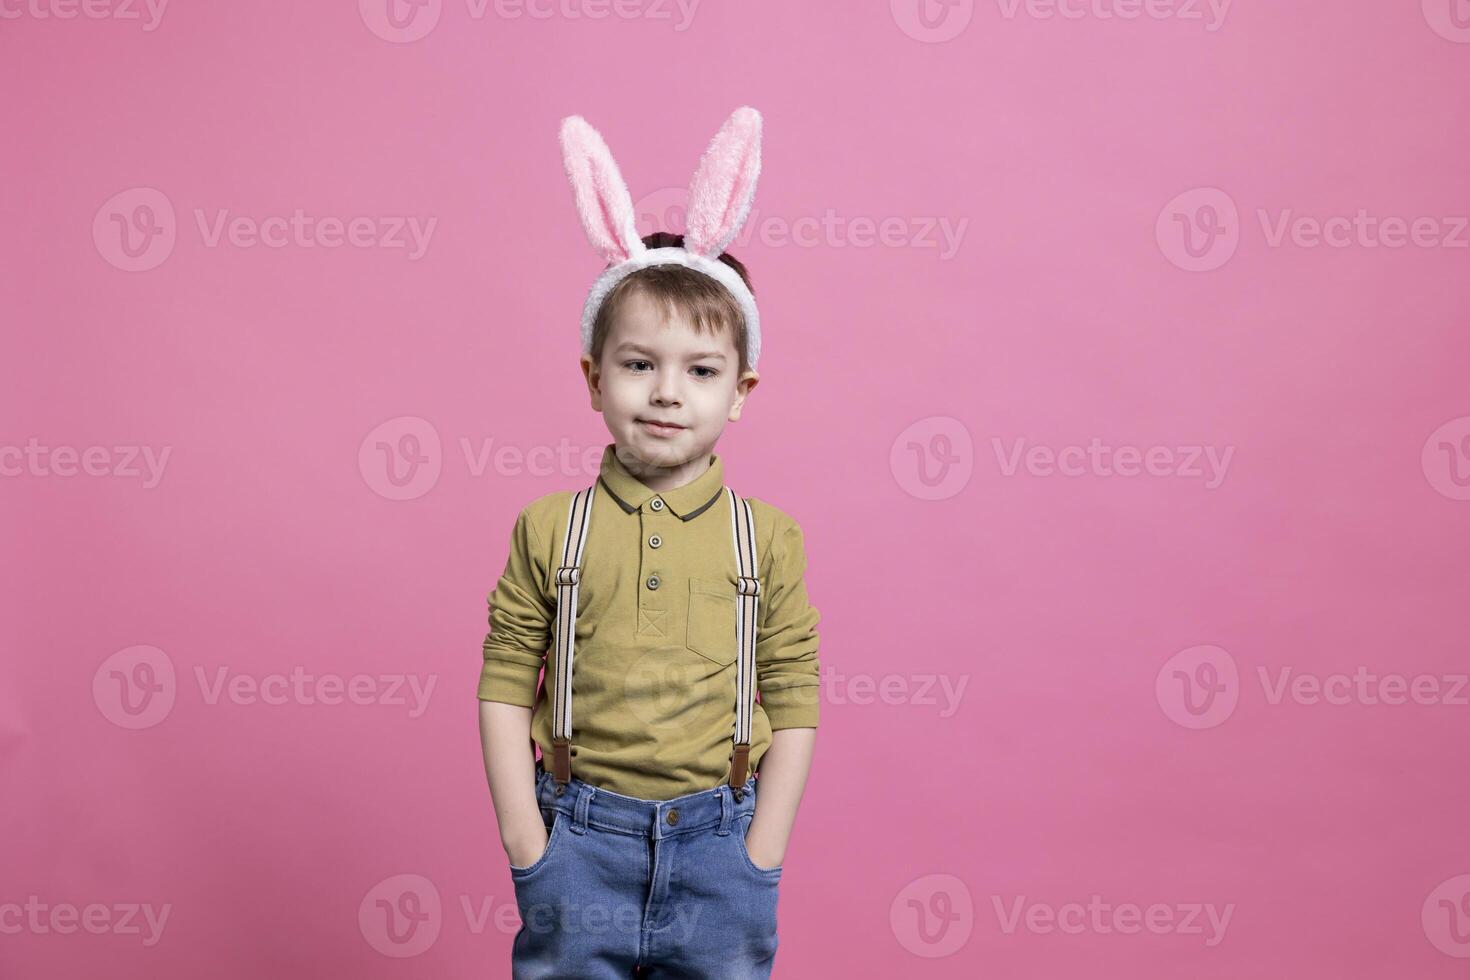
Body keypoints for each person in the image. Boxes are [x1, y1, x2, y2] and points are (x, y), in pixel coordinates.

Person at [477, 107, 821, 979]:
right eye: (639, 364)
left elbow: (795, 691)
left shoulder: (767, 539)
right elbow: (507, 683)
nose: (668, 393)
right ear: (595, 378)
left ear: (739, 392)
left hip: (721, 846)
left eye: (700, 371)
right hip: (578, 841)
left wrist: (760, 857)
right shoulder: (551, 529)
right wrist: (530, 846)